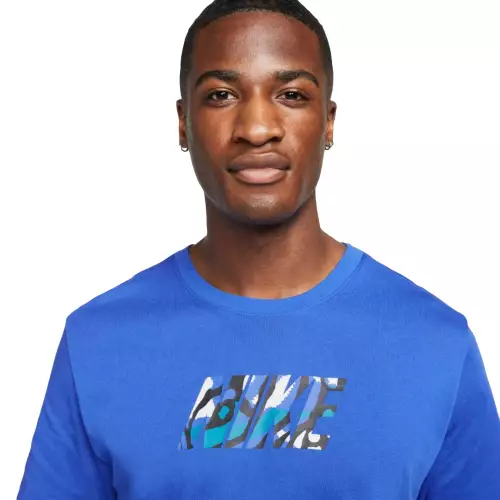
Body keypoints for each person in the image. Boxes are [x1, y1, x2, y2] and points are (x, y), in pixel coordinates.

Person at [18, 0, 500, 498]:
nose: (256, 128)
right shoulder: (99, 341)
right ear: (183, 123)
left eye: (291, 95)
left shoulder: (435, 343)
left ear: (328, 122)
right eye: (221, 95)